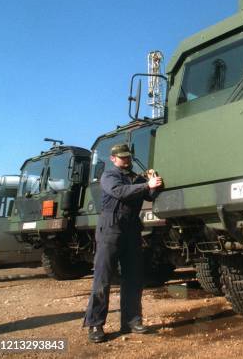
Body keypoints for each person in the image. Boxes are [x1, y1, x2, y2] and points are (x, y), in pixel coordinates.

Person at [83, 143, 163, 343]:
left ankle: (131, 321)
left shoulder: (136, 178)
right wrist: (147, 185)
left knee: (133, 277)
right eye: (122, 157)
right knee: (103, 278)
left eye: (128, 157)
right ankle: (95, 324)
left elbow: (149, 195)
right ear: (113, 158)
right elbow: (119, 192)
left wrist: (155, 181)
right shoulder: (109, 176)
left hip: (131, 230)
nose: (126, 160)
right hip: (110, 228)